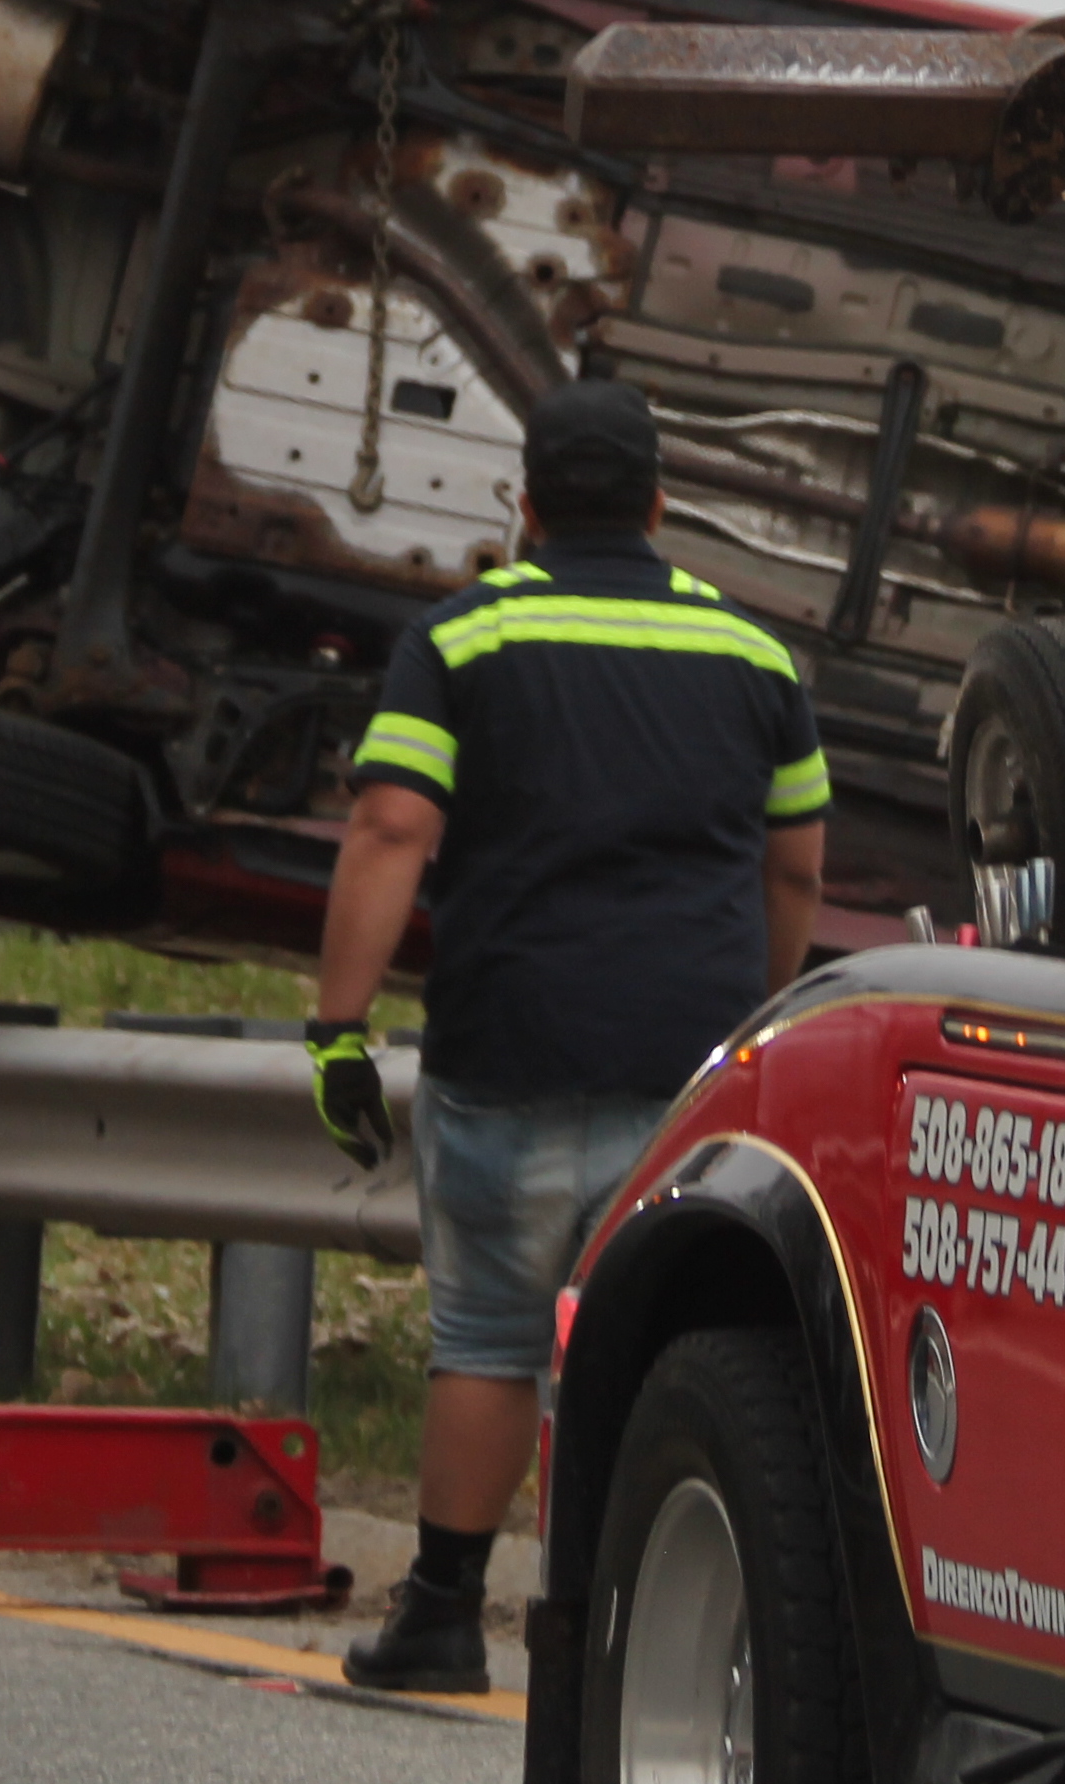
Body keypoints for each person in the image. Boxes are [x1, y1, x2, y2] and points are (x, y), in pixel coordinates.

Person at [303, 376, 829, 1697]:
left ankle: (441, 1617)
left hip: (512, 1044)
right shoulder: (755, 656)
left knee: (490, 1337)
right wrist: (748, 1028)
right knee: (649, 1341)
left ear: (526, 506)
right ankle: (622, 1638)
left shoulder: (462, 639)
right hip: (687, 1070)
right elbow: (796, 868)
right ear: (659, 506)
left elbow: (392, 828)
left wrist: (337, 1032)